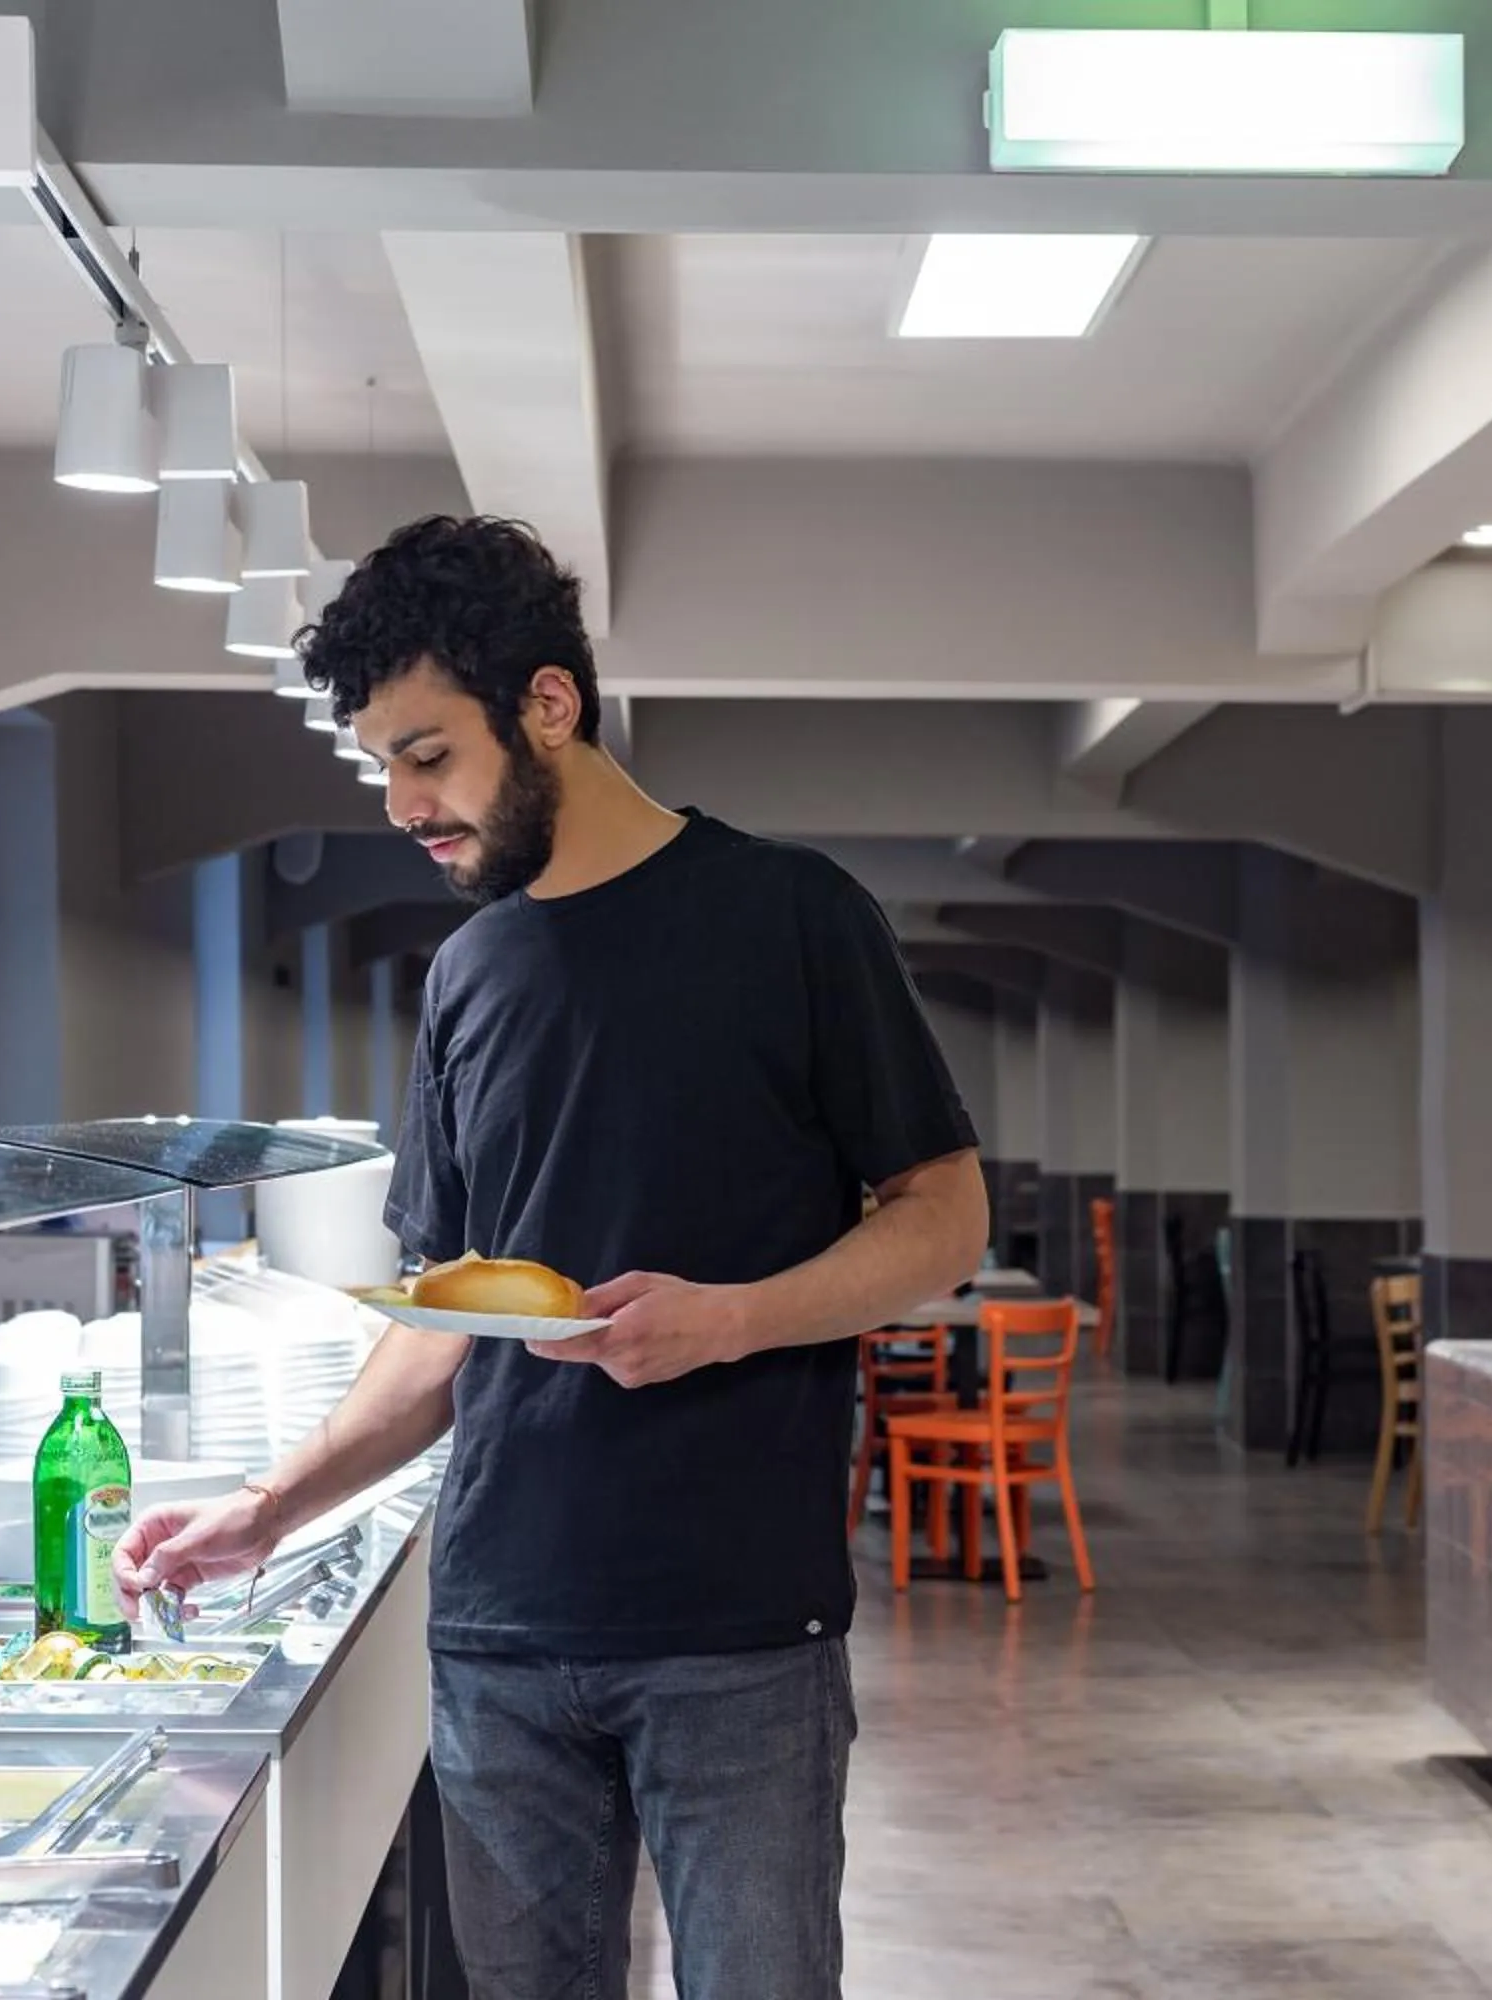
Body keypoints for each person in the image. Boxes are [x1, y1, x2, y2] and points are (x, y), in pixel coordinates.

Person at [112, 515, 990, 2000]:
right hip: (502, 1633)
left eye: (428, 754)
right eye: (382, 766)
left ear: (550, 704)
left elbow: (945, 1217)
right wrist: (268, 1509)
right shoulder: (469, 975)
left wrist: (733, 1319)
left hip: (740, 1631)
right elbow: (444, 1316)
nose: (403, 803)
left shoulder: (792, 915)